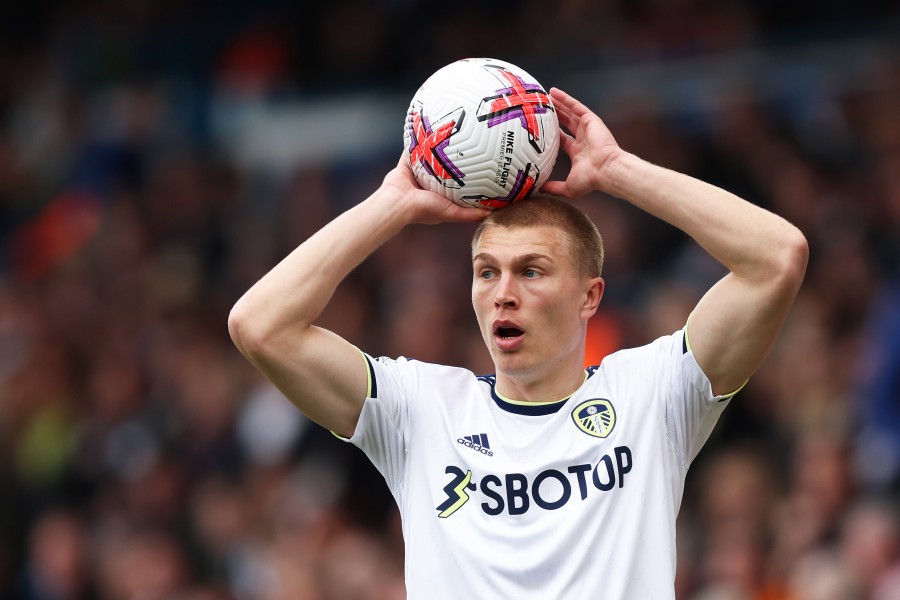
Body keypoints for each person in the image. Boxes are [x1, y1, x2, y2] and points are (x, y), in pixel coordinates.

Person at [228, 87, 808, 598]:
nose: (503, 292)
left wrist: (617, 170)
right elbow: (260, 325)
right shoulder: (419, 410)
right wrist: (394, 204)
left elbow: (776, 258)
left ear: (589, 295)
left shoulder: (653, 394)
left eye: (531, 271)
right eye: (487, 272)